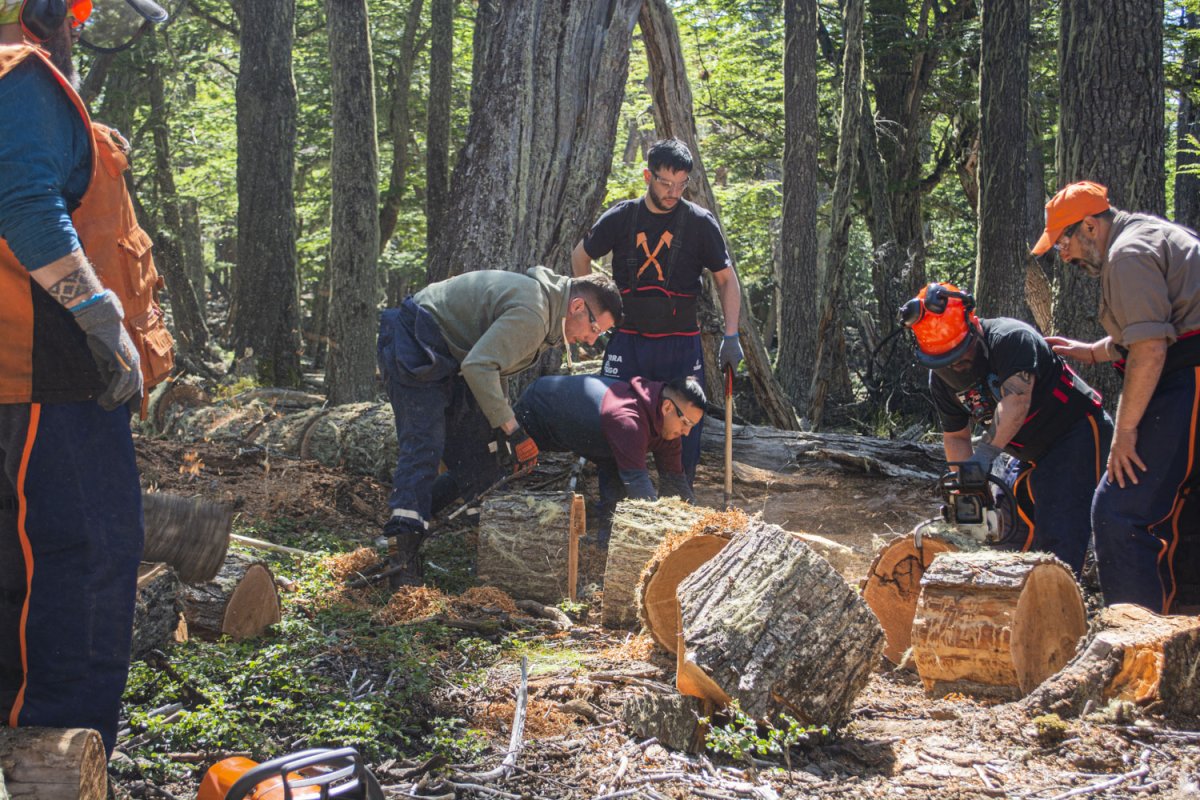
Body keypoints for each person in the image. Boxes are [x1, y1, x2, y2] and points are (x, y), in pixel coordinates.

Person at [1, 0, 173, 757]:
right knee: (85, 558)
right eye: (74, 13)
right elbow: (27, 206)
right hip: (51, 372)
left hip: (32, 374)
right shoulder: (22, 76)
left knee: (22, 562)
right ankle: (57, 752)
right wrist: (102, 320)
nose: (81, 25)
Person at [377, 267, 622, 585]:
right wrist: (514, 432)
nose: (590, 340)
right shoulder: (535, 313)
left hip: (452, 357)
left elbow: (495, 368)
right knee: (424, 444)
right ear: (577, 306)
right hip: (415, 340)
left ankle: (495, 555)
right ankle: (401, 557)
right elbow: (479, 366)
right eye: (594, 328)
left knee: (478, 454)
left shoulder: (546, 315)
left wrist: (500, 431)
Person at [1032, 180, 1200, 613]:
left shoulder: (1126, 255)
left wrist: (1124, 433)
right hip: (1186, 372)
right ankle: (1182, 627)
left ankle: (1134, 639)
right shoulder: (1147, 233)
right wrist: (1093, 351)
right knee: (1184, 511)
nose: (1063, 254)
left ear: (1090, 226)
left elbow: (1151, 348)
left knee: (1119, 511)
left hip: (1189, 379)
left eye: (1063, 241)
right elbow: (1161, 325)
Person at [899, 282, 1113, 575]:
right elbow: (956, 436)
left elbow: (1016, 404)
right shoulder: (940, 381)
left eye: (961, 354)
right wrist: (967, 488)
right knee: (1009, 536)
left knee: (1058, 532)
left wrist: (983, 458)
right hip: (1025, 451)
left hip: (1074, 432)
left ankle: (1061, 596)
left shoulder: (1011, 338)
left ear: (973, 324)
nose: (956, 365)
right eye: (945, 361)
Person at [571, 138, 741, 486]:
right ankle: (614, 504)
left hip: (680, 344)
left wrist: (731, 334)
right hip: (629, 340)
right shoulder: (622, 217)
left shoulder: (700, 223)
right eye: (665, 183)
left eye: (681, 184)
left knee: (685, 422)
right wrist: (593, 317)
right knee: (614, 416)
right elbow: (580, 256)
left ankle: (679, 502)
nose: (673, 192)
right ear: (648, 176)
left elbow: (726, 280)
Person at [510, 375, 703, 543]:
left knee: (617, 483)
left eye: (692, 426)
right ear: (667, 407)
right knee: (508, 469)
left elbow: (675, 482)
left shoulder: (668, 428)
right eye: (686, 423)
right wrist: (662, 535)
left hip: (596, 437)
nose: (686, 432)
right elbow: (639, 487)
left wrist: (698, 524)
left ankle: (607, 544)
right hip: (538, 410)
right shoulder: (629, 420)